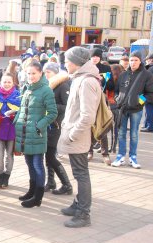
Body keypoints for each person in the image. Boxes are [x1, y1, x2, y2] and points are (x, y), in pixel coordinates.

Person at [58, 46, 101, 228]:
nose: (65, 64)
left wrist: (73, 134)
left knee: (81, 174)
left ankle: (84, 214)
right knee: (79, 173)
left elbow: (87, 116)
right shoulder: (80, 78)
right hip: (75, 135)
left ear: (76, 62)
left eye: (67, 61)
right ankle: (78, 205)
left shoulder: (87, 82)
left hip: (78, 138)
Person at [15, 61, 57, 208]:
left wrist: (39, 126)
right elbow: (23, 109)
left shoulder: (46, 90)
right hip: (26, 133)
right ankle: (32, 191)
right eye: (28, 73)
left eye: (34, 73)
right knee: (29, 163)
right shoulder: (27, 88)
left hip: (37, 134)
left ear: (40, 73)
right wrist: (16, 121)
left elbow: (53, 113)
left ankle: (37, 197)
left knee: (37, 165)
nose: (31, 76)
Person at [111, 51, 153, 168]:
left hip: (136, 110)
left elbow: (150, 93)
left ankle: (133, 157)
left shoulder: (147, 75)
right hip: (123, 109)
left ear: (141, 61)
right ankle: (120, 156)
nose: (133, 62)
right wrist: (118, 98)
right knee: (121, 133)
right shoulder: (123, 75)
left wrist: (139, 102)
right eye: (131, 60)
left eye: (136, 60)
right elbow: (117, 90)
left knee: (134, 134)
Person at [42, 62, 73, 195]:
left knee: (51, 156)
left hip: (57, 125)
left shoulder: (63, 85)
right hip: (49, 125)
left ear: (55, 73)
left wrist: (50, 105)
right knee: (48, 155)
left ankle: (67, 184)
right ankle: (51, 181)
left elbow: (67, 107)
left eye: (49, 72)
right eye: (45, 72)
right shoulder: (50, 85)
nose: (46, 74)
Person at [0, 73, 21, 189]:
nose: (7, 84)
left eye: (9, 82)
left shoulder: (18, 95)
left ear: (13, 83)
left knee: (10, 156)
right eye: (4, 82)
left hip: (12, 129)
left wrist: (14, 115)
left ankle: (6, 177)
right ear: (0, 83)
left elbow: (22, 111)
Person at [88, 48, 114, 165]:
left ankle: (105, 154)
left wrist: (103, 80)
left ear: (100, 57)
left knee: (102, 124)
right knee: (88, 126)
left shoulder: (106, 68)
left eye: (97, 56)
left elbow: (111, 85)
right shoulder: (86, 67)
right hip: (88, 99)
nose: (95, 58)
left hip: (101, 100)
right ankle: (89, 151)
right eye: (93, 56)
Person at [142, 53, 153, 132]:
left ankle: (150, 126)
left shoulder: (150, 69)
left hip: (149, 93)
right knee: (148, 110)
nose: (146, 61)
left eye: (147, 60)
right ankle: (146, 124)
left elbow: (146, 81)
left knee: (149, 110)